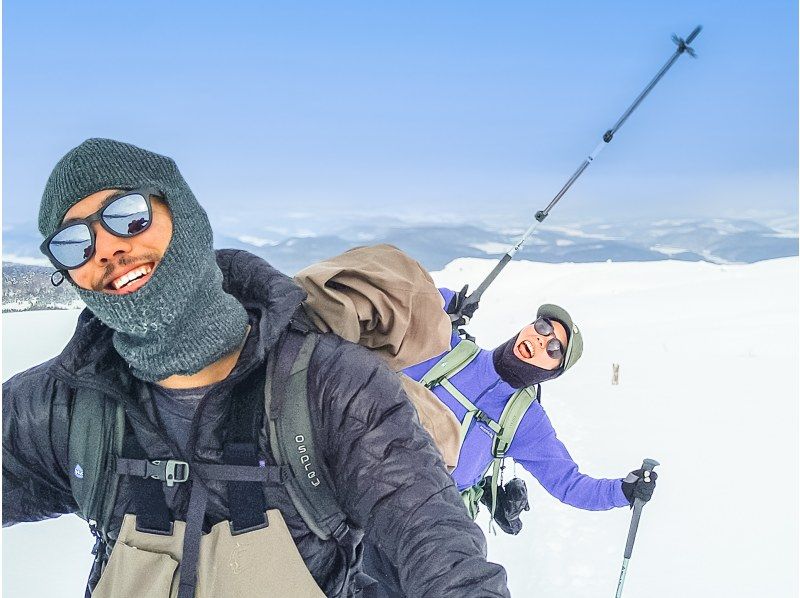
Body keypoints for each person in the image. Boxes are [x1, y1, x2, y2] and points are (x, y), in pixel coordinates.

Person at [2, 138, 510, 598]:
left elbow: (436, 545)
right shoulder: (65, 406)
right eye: (74, 243)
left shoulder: (332, 389)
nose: (108, 248)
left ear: (180, 208)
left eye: (127, 214)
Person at [403, 287, 658, 530]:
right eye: (543, 327)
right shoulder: (449, 348)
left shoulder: (525, 421)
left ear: (552, 373)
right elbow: (403, 299)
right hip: (370, 466)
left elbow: (568, 484)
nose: (541, 340)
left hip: (426, 519)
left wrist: (623, 492)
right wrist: (449, 302)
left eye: (554, 348)